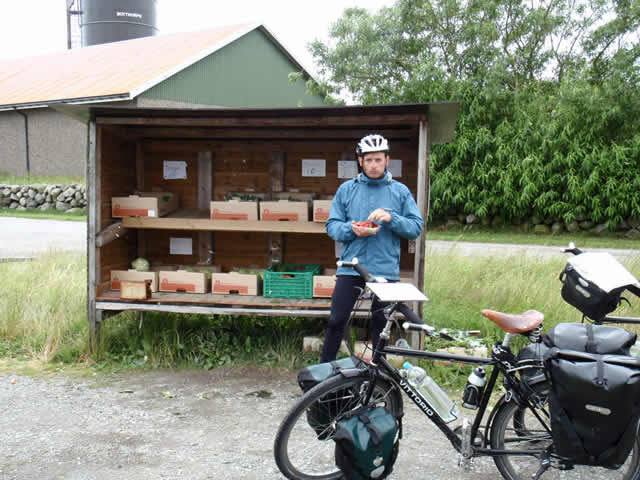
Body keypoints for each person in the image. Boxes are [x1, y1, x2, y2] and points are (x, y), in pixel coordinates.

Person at [321, 134, 423, 362]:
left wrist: (391, 218)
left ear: (387, 160)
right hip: (351, 267)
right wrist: (351, 229)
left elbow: (415, 227)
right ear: (360, 161)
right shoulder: (346, 189)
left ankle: (378, 381)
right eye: (368, 160)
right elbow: (332, 226)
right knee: (336, 321)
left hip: (384, 269)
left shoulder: (400, 191)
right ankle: (322, 378)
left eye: (378, 160)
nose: (373, 165)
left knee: (381, 327)